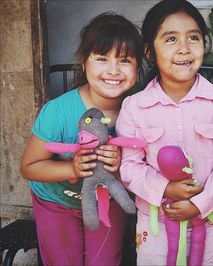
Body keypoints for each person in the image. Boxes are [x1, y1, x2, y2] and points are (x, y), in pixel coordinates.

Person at [115, 0, 213, 265]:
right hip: (155, 224)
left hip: (209, 219)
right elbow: (129, 166)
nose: (184, 48)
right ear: (150, 52)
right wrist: (166, 188)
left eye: (193, 37)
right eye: (170, 39)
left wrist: (200, 203)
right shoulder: (134, 106)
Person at [20, 12, 143, 265]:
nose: (113, 70)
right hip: (56, 201)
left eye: (124, 60)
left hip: (108, 199)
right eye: (102, 58)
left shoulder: (141, 112)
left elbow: (147, 171)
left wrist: (121, 167)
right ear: (83, 62)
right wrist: (72, 167)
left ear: (138, 67)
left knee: (104, 261)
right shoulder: (58, 112)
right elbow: (29, 167)